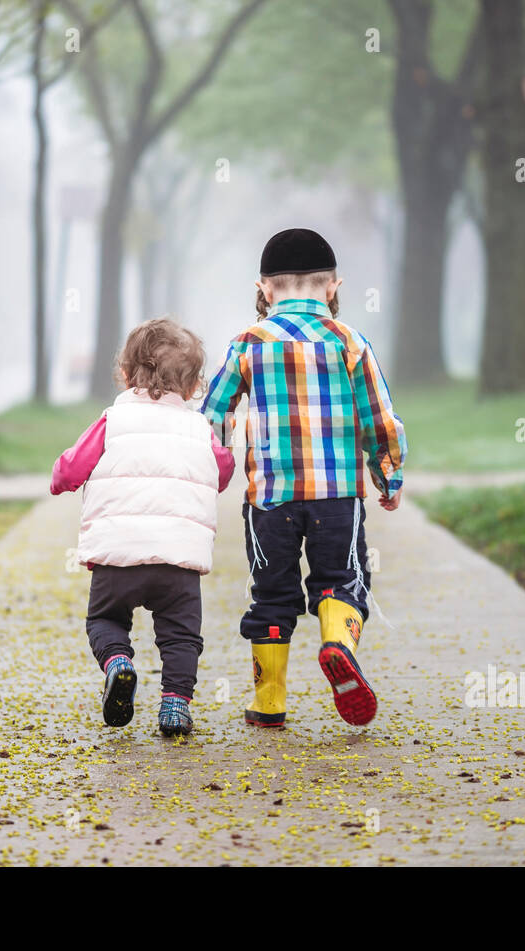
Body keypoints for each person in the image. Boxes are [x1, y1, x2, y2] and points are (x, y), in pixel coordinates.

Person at [200, 227, 406, 728]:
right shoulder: (350, 342)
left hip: (270, 500)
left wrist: (208, 471)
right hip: (337, 497)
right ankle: (337, 643)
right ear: (332, 287)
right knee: (342, 579)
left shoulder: (248, 343)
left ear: (265, 289)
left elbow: (214, 417)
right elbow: (378, 417)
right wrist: (388, 475)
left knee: (270, 594)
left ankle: (269, 702)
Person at [51, 317, 235, 736]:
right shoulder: (201, 429)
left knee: (105, 621)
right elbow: (222, 472)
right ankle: (174, 707)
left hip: (118, 557)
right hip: (179, 562)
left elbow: (71, 467)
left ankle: (118, 663)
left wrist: (59, 480)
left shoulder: (111, 421)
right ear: (192, 388)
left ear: (125, 373)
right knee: (181, 637)